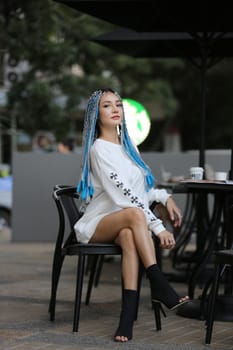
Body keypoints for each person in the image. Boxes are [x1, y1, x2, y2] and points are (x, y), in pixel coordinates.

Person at [74, 88, 189, 342]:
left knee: (129, 235)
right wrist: (158, 228)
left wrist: (164, 196)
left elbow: (142, 189)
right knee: (135, 216)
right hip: (98, 223)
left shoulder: (130, 147)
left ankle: (126, 319)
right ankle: (158, 282)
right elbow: (123, 195)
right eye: (107, 106)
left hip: (124, 221)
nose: (115, 109)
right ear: (96, 114)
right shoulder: (98, 149)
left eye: (118, 104)